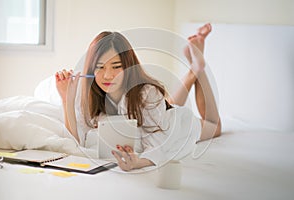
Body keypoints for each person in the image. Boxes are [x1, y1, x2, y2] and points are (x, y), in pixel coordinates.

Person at [55, 23, 221, 171]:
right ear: (90, 70)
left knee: (215, 125)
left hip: (174, 127)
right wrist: (66, 99)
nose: (107, 75)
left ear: (128, 66)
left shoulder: (148, 94)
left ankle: (199, 68)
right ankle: (194, 68)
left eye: (116, 67)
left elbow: (158, 147)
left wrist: (137, 163)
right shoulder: (87, 93)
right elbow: (75, 143)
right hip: (155, 116)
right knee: (165, 107)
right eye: (100, 67)